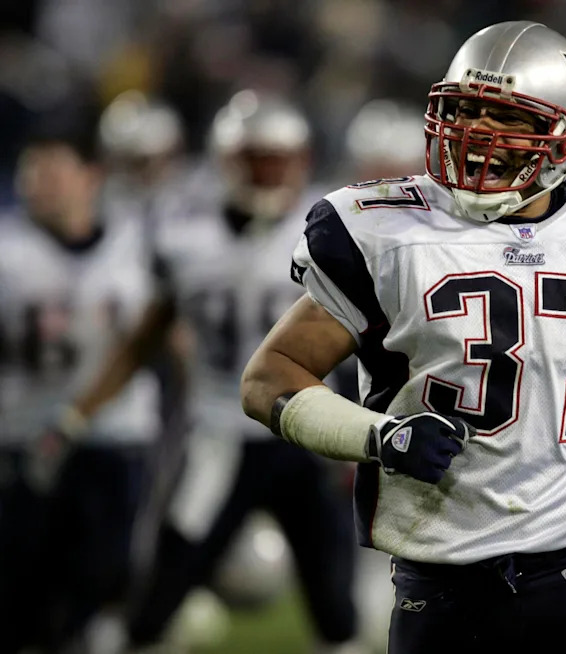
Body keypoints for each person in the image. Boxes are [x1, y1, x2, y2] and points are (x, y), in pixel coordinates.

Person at [241, 21, 566, 654]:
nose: (477, 134)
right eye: (466, 111)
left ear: (562, 137)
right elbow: (270, 377)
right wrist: (377, 437)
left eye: (503, 118)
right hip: (437, 572)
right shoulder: (384, 231)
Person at [58, 91, 363, 653]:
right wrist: (81, 411)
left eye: (280, 158)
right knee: (162, 589)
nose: (270, 171)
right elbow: (144, 338)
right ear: (227, 159)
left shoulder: (333, 231)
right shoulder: (185, 237)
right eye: (257, 158)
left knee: (336, 604)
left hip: (312, 432)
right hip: (219, 433)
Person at [0, 126, 160, 652]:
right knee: (24, 590)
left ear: (90, 177)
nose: (41, 184)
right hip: (23, 436)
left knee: (102, 579)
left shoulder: (136, 243)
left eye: (54, 170)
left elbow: (161, 337)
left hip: (114, 434)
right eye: (32, 173)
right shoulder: (8, 249)